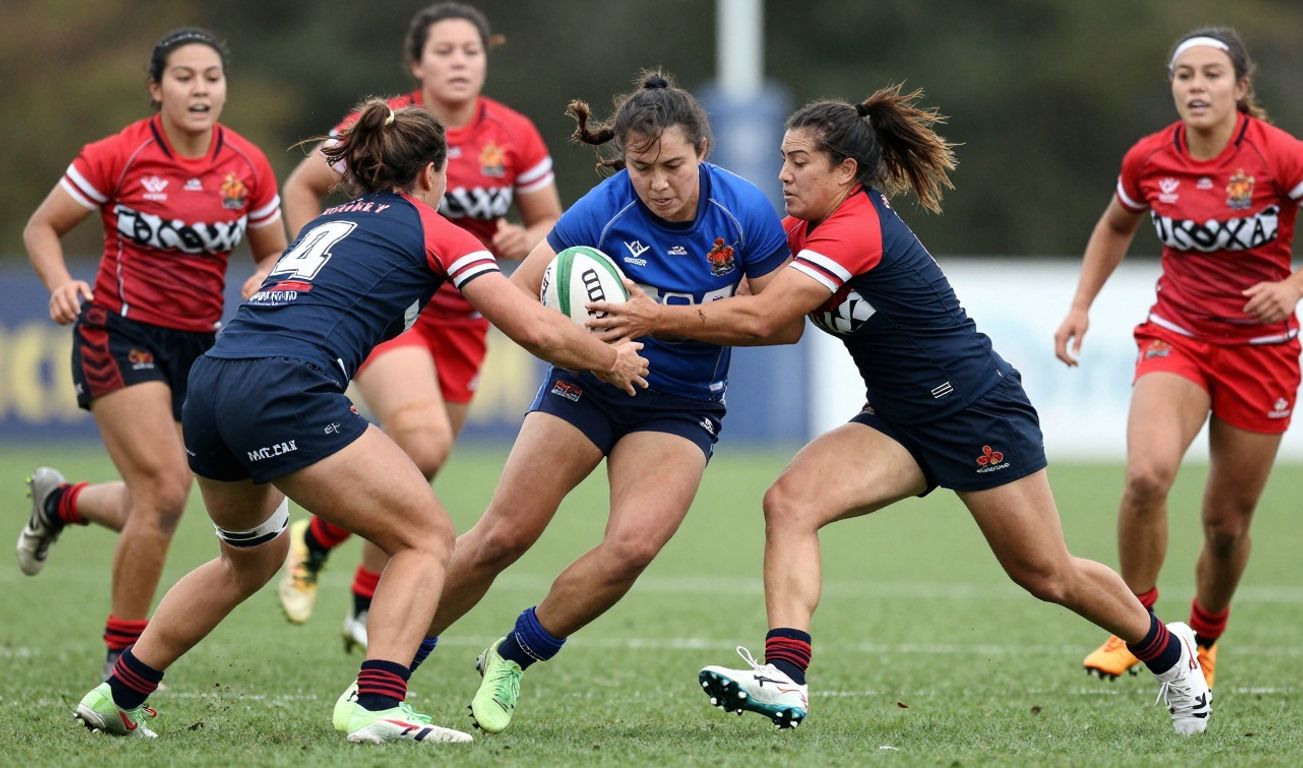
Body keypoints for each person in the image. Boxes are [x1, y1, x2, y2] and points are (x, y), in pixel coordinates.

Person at [590, 84, 1215, 735]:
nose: (782, 172)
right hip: (897, 420)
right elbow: (735, 289)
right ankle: (785, 677)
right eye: (782, 158)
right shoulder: (798, 229)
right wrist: (645, 290)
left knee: (1046, 573)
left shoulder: (857, 224)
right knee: (789, 503)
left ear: (845, 172)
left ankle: (1173, 658)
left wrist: (656, 317)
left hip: (975, 409)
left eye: (799, 161)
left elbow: (770, 314)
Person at [72, 100, 648, 743]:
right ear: (432, 173)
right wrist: (609, 357)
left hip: (214, 383)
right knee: (426, 537)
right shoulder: (435, 229)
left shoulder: (330, 218)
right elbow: (530, 326)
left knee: (249, 561)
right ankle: (378, 703)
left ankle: (118, 692)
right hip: (284, 388)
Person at [361, 70, 788, 735]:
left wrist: (656, 322)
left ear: (702, 149)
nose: (658, 182)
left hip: (679, 404)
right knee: (502, 535)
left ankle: (513, 654)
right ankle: (387, 669)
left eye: (674, 164)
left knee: (631, 549)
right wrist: (587, 354)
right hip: (584, 389)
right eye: (642, 167)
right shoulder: (602, 209)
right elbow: (519, 297)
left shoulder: (746, 211)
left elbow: (781, 322)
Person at [1053, 27, 1303, 690]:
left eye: (1211, 75)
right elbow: (1115, 224)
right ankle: (1137, 625)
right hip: (1179, 335)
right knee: (1145, 477)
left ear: (1241, 88)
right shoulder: (1148, 160)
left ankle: (1207, 636)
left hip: (1261, 354)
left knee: (1226, 526)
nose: (1196, 86)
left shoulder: (1282, 155)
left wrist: (1294, 287)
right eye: (1184, 75)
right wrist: (1081, 303)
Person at [275, 2, 563, 652]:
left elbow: (552, 220)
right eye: (445, 51)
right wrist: (291, 263)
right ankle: (341, 567)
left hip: (467, 314)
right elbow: (301, 187)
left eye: (471, 51)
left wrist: (528, 234)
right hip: (390, 306)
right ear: (417, 63)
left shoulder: (513, 134)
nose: (460, 62)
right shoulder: (385, 126)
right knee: (424, 442)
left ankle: (334, 564)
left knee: (416, 467)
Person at [18, 27, 287, 679]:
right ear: (156, 88)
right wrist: (60, 284)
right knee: (165, 492)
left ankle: (61, 504)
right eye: (185, 77)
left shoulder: (246, 165)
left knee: (155, 497)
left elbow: (274, 251)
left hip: (203, 345)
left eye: (212, 77)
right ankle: (122, 668)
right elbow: (42, 227)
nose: (200, 89)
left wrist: (263, 276)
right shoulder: (120, 154)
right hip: (119, 332)